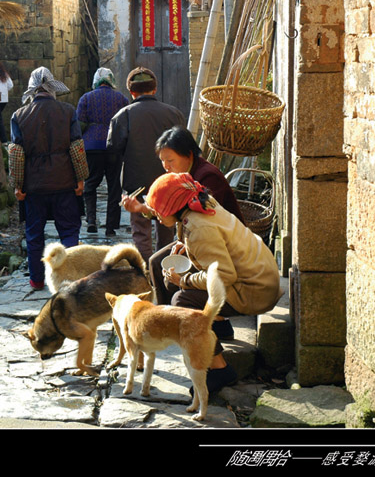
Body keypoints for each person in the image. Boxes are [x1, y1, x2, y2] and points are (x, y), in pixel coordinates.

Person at [144, 171, 281, 394]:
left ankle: (219, 368)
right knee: (158, 260)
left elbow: (224, 276)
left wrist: (184, 280)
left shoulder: (199, 228)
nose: (156, 217)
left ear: (174, 206)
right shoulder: (200, 201)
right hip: (257, 275)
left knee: (183, 300)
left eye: (158, 211)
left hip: (254, 290)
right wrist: (184, 243)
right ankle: (218, 325)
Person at [122, 126, 246, 308]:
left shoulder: (207, 176)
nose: (166, 166)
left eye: (170, 160)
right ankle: (167, 316)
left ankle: (190, 318)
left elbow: (207, 220)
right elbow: (171, 212)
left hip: (222, 243)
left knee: (173, 276)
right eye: (162, 160)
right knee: (156, 262)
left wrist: (184, 242)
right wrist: (141, 207)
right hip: (196, 236)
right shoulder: (181, 176)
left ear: (189, 155)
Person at [7, 66, 89, 290]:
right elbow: (76, 148)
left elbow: (16, 154)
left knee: (34, 235)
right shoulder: (67, 111)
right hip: (65, 182)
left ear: (32, 90)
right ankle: (69, 279)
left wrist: (17, 185)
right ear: (52, 87)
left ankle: (36, 280)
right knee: (69, 231)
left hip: (34, 186)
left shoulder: (19, 115)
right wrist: (80, 179)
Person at [106, 67, 186, 262]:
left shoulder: (123, 116)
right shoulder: (173, 114)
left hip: (136, 183)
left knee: (141, 231)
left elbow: (113, 149)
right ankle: (164, 268)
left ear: (131, 92)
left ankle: (146, 271)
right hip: (168, 182)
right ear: (154, 89)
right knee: (166, 227)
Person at [75, 68, 129, 236]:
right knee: (114, 186)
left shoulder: (86, 98)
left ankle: (91, 220)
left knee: (90, 184)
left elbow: (80, 125)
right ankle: (111, 227)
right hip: (114, 147)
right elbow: (127, 124)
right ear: (111, 81)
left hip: (92, 147)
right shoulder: (121, 99)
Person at [0, 57, 14, 143]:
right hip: (4, 99)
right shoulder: (3, 74)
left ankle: (3, 140)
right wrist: (4, 91)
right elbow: (10, 85)